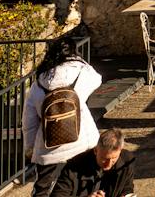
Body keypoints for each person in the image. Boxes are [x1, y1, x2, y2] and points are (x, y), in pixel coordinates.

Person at [22, 36, 101, 197]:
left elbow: (29, 121)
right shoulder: (81, 72)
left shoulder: (38, 83)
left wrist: (30, 148)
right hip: (81, 140)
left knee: (42, 189)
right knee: (84, 182)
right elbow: (97, 79)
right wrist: (81, 62)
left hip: (48, 146)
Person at [55, 127, 133, 197]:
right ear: (95, 150)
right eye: (104, 158)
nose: (108, 164)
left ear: (120, 151)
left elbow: (127, 187)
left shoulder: (127, 161)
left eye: (114, 158)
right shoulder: (73, 167)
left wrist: (125, 195)